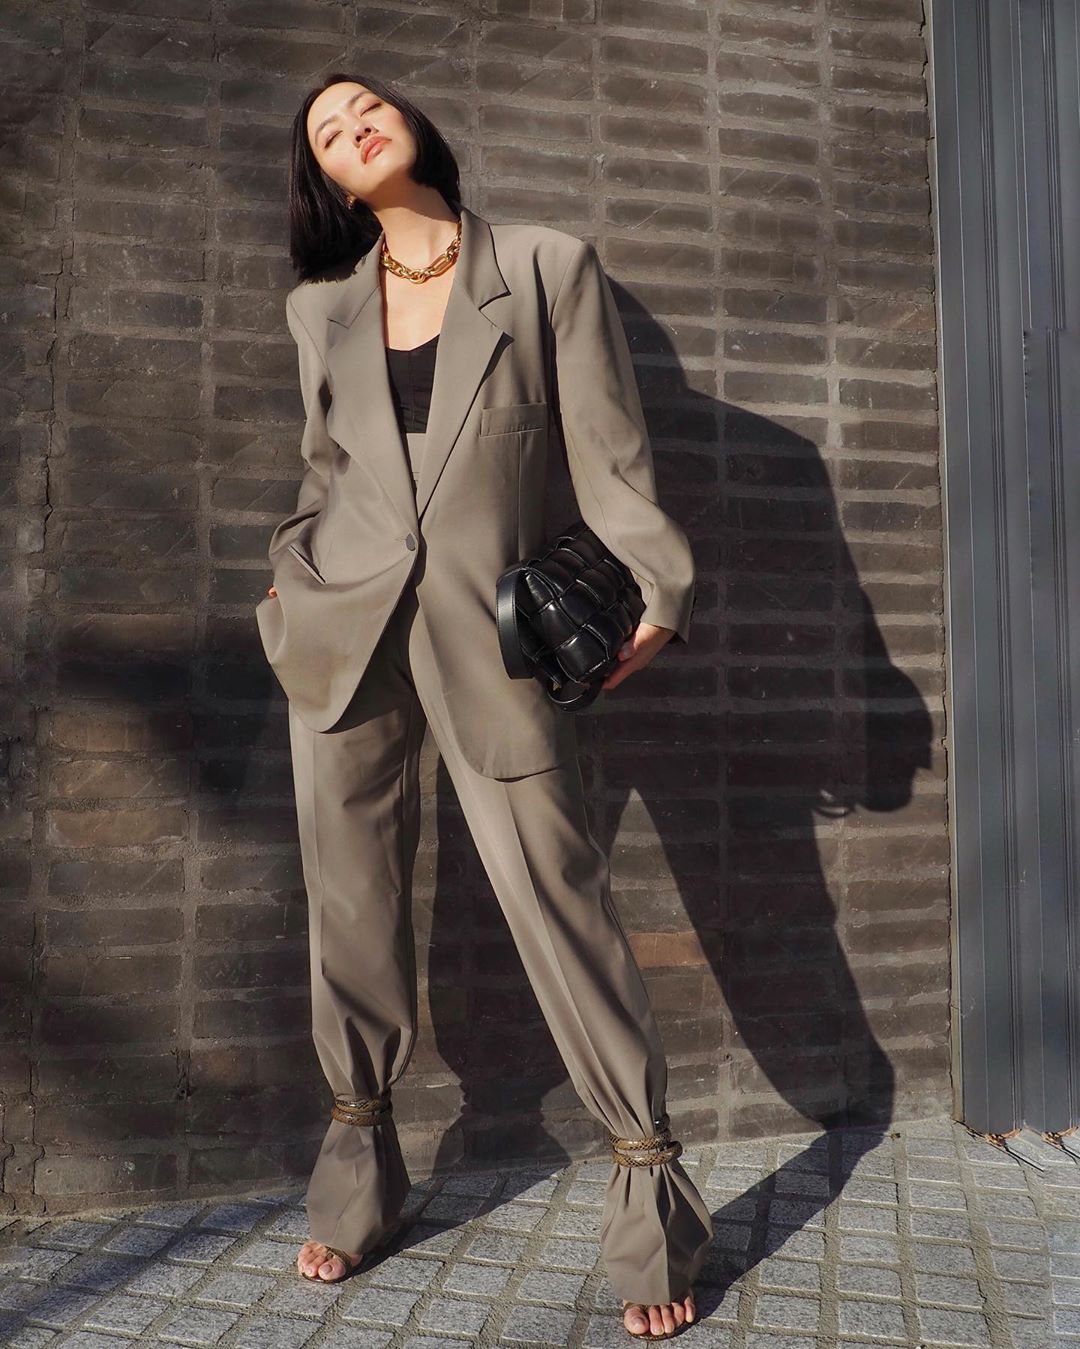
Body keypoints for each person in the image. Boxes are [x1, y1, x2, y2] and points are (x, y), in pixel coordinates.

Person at [256, 70, 714, 1342]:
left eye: (366, 107)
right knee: (350, 907)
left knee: (557, 898)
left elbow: (609, 450)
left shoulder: (548, 266)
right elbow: (323, 468)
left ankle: (652, 1208)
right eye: (328, 133)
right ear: (327, 179)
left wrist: (658, 584)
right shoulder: (320, 309)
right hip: (342, 632)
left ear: (411, 124)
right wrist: (289, 576)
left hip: (489, 635)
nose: (354, 127)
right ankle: (356, 1186)